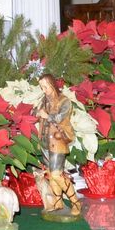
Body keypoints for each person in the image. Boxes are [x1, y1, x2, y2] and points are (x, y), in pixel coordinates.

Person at [32, 75, 77, 211]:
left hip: (57, 141)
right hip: (45, 141)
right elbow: (34, 113)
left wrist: (47, 116)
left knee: (57, 174)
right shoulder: (44, 100)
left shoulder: (64, 101)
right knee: (51, 174)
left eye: (46, 86)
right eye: (42, 87)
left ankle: (75, 202)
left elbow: (60, 118)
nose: (44, 90)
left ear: (52, 84)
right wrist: (37, 113)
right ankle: (58, 202)